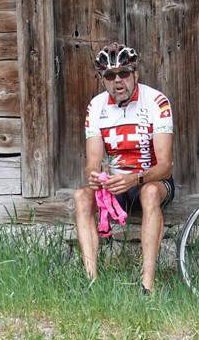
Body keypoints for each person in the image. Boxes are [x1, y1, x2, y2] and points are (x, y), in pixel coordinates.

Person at [73, 42, 174, 294]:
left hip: (151, 182)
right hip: (117, 186)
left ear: (135, 74)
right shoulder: (95, 107)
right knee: (81, 196)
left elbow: (166, 167)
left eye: (124, 73)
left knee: (150, 192)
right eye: (109, 75)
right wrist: (96, 178)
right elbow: (91, 165)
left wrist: (134, 179)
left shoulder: (157, 102)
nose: (118, 81)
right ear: (102, 79)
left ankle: (147, 285)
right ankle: (91, 282)